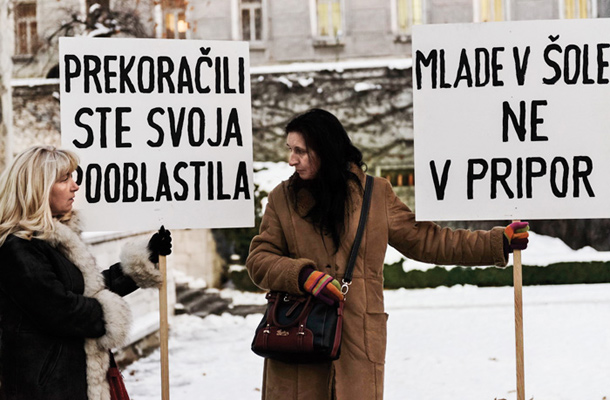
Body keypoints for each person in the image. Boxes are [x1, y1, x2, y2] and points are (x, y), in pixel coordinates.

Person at [246, 108, 529, 400]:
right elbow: (259, 259)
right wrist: (302, 276)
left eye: (300, 151)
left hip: (357, 343)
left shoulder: (376, 194)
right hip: (297, 343)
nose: (291, 159)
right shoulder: (282, 198)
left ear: (325, 150)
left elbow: (426, 240)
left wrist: (497, 243)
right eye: (290, 150)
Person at [0, 145, 172, 400]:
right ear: (39, 188)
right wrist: (112, 314)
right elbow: (61, 310)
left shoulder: (51, 240)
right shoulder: (18, 247)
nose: (75, 186)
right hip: (45, 388)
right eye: (64, 179)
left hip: (69, 381)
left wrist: (144, 258)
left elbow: (89, 291)